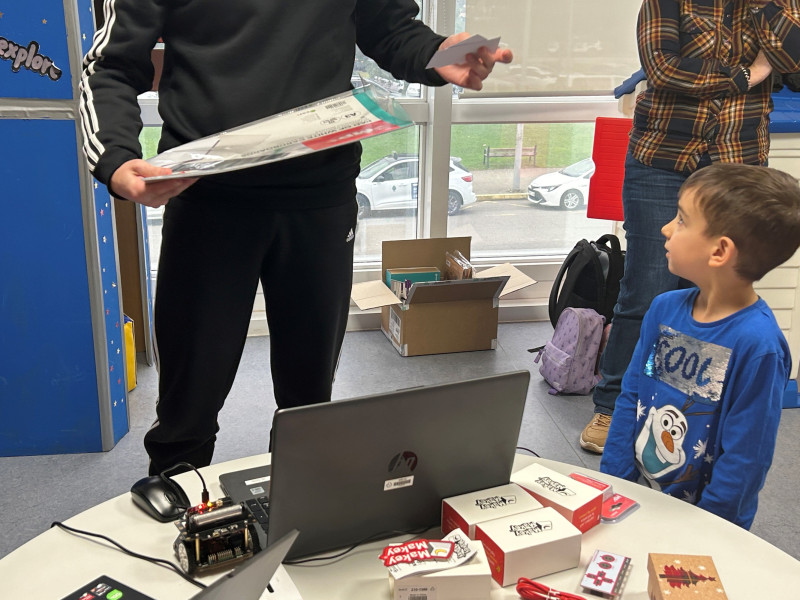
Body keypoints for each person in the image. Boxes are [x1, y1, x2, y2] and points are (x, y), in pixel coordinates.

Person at [79, 0, 512, 476]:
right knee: (190, 397)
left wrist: (436, 52)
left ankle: (302, 505)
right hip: (208, 196)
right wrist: (116, 159)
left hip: (320, 196)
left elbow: (390, 30)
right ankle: (178, 503)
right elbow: (110, 65)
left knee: (309, 395)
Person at [580, 0, 800, 453]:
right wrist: (745, 76)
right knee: (647, 287)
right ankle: (614, 403)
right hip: (662, 155)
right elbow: (664, 70)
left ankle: (690, 406)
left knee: (720, 290)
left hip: (737, 158)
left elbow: (793, 57)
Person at [600, 163, 800, 528]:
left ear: (720, 252)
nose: (665, 228)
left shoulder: (759, 346)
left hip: (704, 524)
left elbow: (746, 458)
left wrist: (707, 529)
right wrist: (616, 478)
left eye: (680, 220)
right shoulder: (663, 309)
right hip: (634, 499)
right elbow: (631, 394)